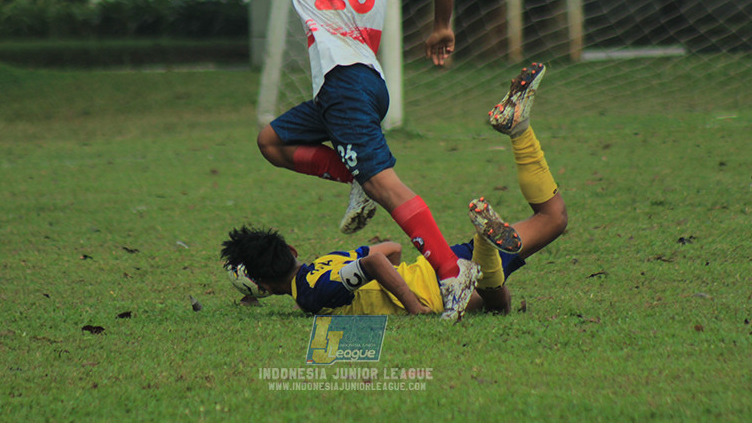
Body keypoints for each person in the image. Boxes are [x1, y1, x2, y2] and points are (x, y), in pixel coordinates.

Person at [167, 0, 477, 320]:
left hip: (345, 85)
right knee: (271, 141)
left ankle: (452, 274)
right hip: (362, 85)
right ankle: (356, 179)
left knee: (386, 185)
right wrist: (441, 26)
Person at [220, 63, 568, 317]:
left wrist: (411, 305)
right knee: (546, 227)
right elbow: (389, 249)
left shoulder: (309, 294)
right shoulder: (324, 262)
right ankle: (516, 135)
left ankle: (484, 245)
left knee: (499, 299)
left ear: (262, 287)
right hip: (434, 265)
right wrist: (397, 278)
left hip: (434, 292)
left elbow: (373, 262)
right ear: (291, 249)